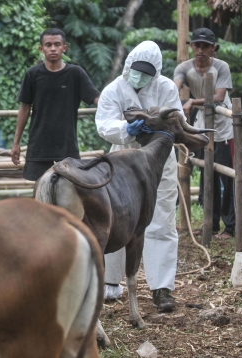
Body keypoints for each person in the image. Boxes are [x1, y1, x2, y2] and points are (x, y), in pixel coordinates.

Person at [95, 41, 183, 312]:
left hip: (158, 162)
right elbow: (104, 125)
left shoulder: (166, 88)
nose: (140, 76)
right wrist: (126, 128)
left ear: (155, 72)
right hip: (123, 161)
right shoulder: (114, 89)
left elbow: (176, 120)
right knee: (119, 216)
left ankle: (162, 289)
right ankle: (111, 282)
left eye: (147, 72)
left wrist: (154, 130)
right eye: (137, 70)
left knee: (162, 221)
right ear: (128, 65)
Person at [11, 28, 100, 180]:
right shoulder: (33, 74)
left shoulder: (75, 74)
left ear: (64, 48)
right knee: (40, 192)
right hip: (39, 147)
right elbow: (24, 108)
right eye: (48, 45)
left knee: (70, 192)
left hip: (67, 147)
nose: (53, 48)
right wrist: (16, 143)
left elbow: (97, 99)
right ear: (41, 49)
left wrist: (117, 112)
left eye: (57, 44)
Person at [173, 27, 235, 239]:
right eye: (197, 45)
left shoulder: (221, 67)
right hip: (203, 124)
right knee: (208, 173)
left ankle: (231, 227)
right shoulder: (184, 67)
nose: (200, 50)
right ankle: (212, 224)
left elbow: (218, 97)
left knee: (228, 177)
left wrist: (191, 101)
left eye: (205, 46)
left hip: (224, 126)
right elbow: (174, 88)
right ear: (191, 46)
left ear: (213, 49)